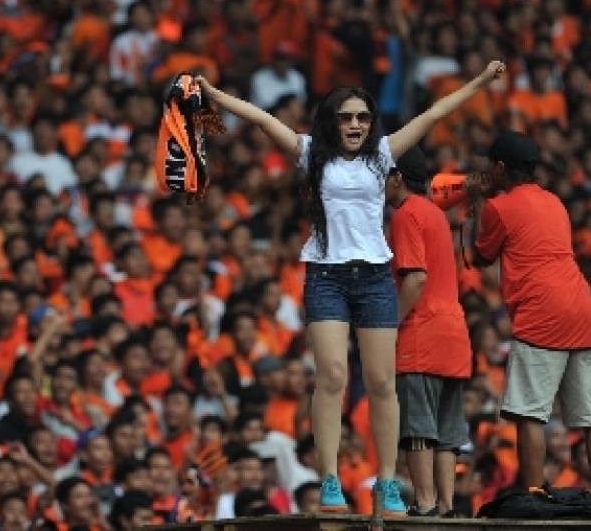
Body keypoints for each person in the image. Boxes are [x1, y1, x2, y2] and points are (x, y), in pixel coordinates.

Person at [197, 59, 505, 514]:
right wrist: (213, 94)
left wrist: (480, 81)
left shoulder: (382, 156)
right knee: (332, 379)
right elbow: (263, 119)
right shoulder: (310, 153)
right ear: (331, 121)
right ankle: (329, 482)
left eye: (362, 116)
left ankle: (385, 482)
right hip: (326, 277)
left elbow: (435, 114)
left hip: (376, 277)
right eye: (346, 116)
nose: (356, 124)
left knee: (382, 382)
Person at [469, 131, 591, 490]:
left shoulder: (499, 207)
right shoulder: (554, 201)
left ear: (502, 167)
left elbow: (481, 256)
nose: (487, 170)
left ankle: (533, 496)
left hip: (543, 312)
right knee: (588, 420)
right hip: (582, 305)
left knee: (529, 416)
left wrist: (478, 203)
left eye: (490, 164)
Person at [384, 147, 472, 517]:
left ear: (398, 178)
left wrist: (391, 324)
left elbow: (415, 277)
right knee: (448, 430)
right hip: (454, 332)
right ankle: (447, 505)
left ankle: (424, 501)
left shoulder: (406, 215)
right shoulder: (436, 213)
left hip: (422, 331)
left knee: (418, 426)